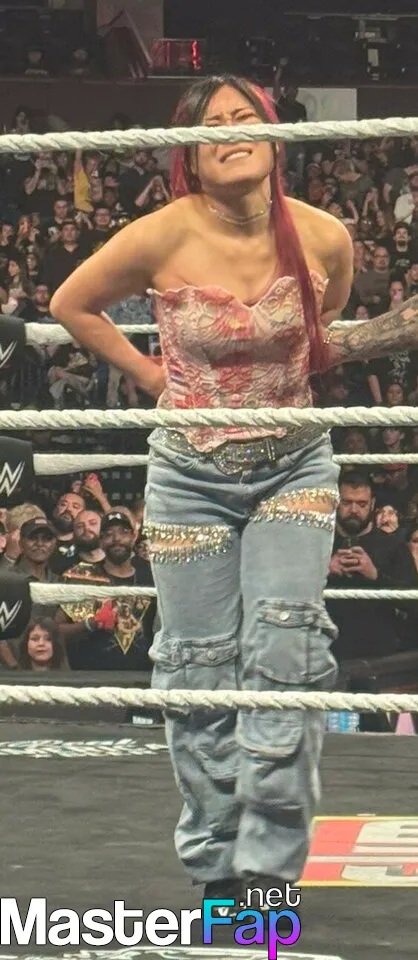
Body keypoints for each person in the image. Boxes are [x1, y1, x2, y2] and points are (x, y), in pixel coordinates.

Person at [50, 74, 418, 907]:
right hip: (190, 474)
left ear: (275, 134)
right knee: (198, 668)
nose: (230, 129)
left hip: (294, 463)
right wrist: (151, 374)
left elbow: (324, 332)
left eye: (244, 115)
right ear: (188, 150)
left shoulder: (322, 235)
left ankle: (269, 875)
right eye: (212, 122)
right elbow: (72, 303)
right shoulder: (161, 233)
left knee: (286, 653)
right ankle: (217, 867)